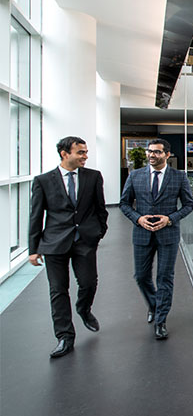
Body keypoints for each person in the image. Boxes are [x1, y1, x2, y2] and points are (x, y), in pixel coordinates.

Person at [28, 136, 108, 358]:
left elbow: (100, 209)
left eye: (86, 152)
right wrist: (33, 249)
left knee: (88, 283)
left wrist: (98, 233)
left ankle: (83, 309)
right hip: (54, 243)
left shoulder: (93, 177)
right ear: (65, 153)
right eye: (80, 152)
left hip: (85, 240)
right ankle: (64, 337)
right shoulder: (43, 181)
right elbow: (36, 216)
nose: (85, 156)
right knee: (58, 290)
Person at [119, 138, 193, 340]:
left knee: (164, 278)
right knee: (141, 276)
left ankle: (161, 320)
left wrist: (170, 219)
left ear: (167, 155)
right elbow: (124, 204)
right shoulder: (135, 176)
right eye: (150, 152)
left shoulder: (179, 177)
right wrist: (138, 218)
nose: (152, 155)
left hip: (168, 234)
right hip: (142, 233)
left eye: (157, 152)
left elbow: (189, 205)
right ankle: (153, 304)